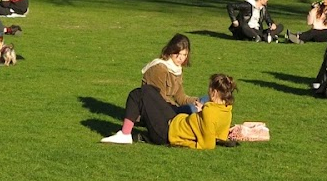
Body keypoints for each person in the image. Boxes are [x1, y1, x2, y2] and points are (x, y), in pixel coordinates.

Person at [100, 34, 200, 143]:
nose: (181, 58)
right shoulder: (160, 68)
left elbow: (181, 97)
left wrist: (198, 101)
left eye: (184, 55)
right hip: (156, 109)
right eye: (178, 54)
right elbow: (157, 99)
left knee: (192, 110)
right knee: (140, 93)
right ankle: (126, 133)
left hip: (167, 109)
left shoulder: (177, 70)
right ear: (171, 51)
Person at [103, 73, 237, 148]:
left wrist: (178, 143)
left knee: (138, 94)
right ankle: (129, 132)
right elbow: (220, 136)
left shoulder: (209, 111)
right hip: (175, 122)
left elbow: (207, 145)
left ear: (214, 92)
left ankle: (125, 134)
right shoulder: (226, 110)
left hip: (168, 132)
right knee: (149, 90)